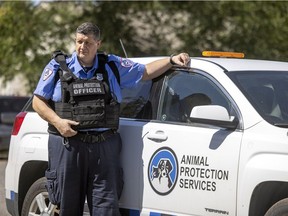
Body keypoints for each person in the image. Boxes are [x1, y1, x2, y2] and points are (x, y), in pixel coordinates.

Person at [32, 22, 190, 216]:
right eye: (79, 41)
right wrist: (58, 122)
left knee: (106, 208)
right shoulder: (58, 66)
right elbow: (38, 102)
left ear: (98, 43)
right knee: (68, 208)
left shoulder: (111, 65)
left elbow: (146, 72)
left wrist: (171, 60)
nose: (83, 47)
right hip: (69, 146)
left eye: (88, 42)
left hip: (104, 148)